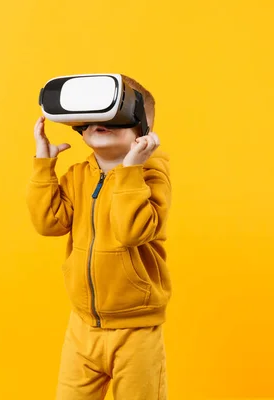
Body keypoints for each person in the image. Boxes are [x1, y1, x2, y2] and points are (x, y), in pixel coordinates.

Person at [26, 74, 172, 399]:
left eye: (111, 114)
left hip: (136, 330)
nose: (98, 122)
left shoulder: (151, 173)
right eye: (90, 117)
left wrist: (130, 170)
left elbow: (131, 231)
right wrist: (44, 165)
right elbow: (48, 223)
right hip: (83, 326)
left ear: (142, 127)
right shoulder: (78, 174)